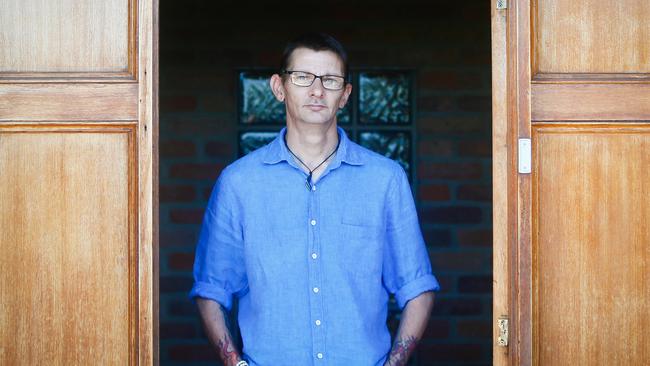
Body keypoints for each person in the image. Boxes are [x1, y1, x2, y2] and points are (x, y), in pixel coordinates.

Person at [190, 32, 440, 366]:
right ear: (279, 88)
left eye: (331, 79)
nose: (317, 90)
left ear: (346, 94)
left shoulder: (385, 179)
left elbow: (417, 286)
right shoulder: (238, 183)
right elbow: (211, 290)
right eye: (303, 77)